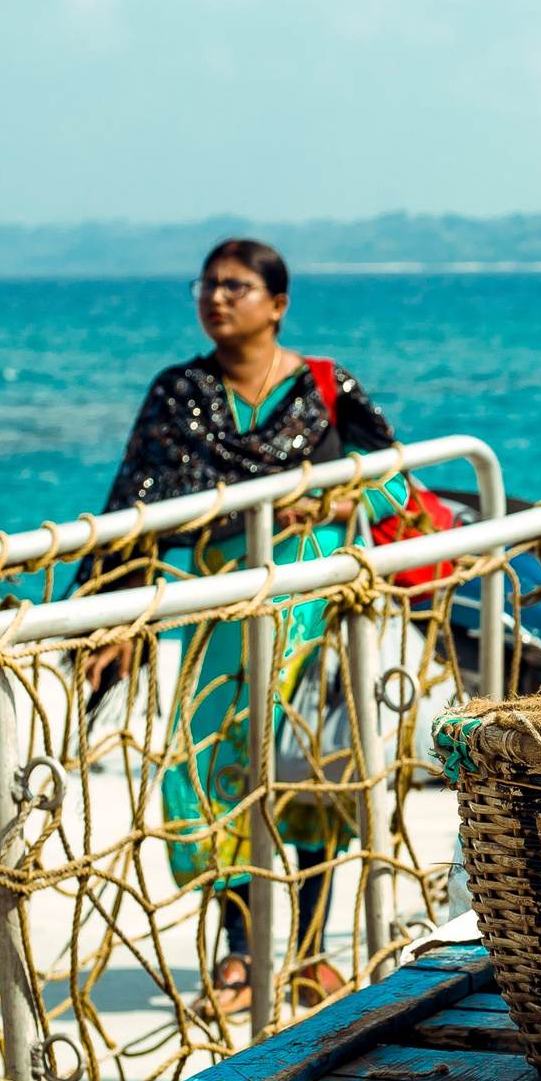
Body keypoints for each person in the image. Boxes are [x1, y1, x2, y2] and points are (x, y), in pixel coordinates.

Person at [81, 240, 413, 1020]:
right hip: (217, 607)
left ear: (278, 302)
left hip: (315, 606)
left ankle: (308, 954)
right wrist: (119, 613)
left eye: (237, 285)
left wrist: (330, 504)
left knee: (314, 769)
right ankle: (241, 948)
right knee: (209, 777)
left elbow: (394, 480)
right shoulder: (179, 393)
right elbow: (136, 505)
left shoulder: (323, 389)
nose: (218, 298)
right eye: (208, 284)